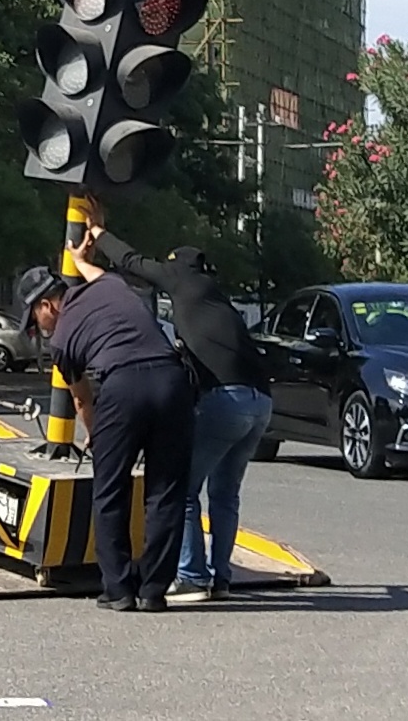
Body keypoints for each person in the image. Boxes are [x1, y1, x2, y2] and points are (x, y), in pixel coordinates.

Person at [86, 222, 272, 603]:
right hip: (261, 403)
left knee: (181, 489)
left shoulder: (180, 278)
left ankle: (191, 577)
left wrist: (98, 233)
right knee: (225, 494)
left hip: (225, 398)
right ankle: (222, 578)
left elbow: (132, 261)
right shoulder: (216, 297)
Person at [21, 244, 195, 612]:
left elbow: (83, 400)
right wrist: (81, 259)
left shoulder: (61, 341)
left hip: (123, 386)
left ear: (47, 306)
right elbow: (96, 272)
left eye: (36, 321)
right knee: (166, 492)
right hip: (172, 380)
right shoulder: (110, 284)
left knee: (110, 490)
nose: (40, 330)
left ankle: (118, 589)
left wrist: (96, 437)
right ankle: (153, 591)